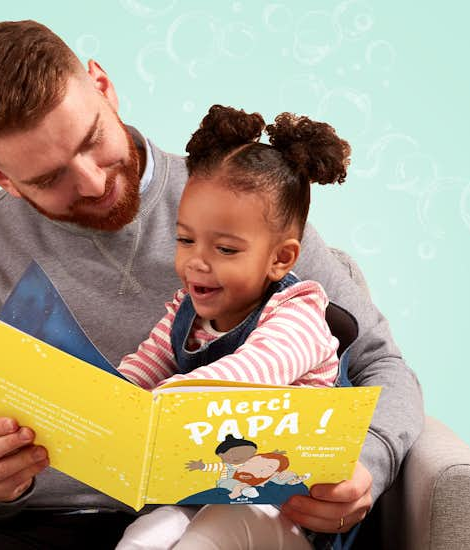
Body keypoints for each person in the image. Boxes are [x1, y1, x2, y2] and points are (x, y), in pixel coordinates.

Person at [0, 19, 423, 550]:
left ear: (103, 86)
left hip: (235, 507)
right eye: (48, 179)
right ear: (1, 178)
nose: (93, 183)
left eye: (92, 140)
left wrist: (368, 462)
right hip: (47, 524)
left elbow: (380, 362)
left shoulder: (239, 199)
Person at [115, 105, 349, 549]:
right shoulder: (185, 312)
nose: (196, 261)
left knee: (209, 538)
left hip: (284, 510)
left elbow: (249, 374)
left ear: (280, 258)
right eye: (185, 240)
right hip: (205, 488)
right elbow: (138, 371)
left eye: (224, 248)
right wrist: (103, 408)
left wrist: (163, 403)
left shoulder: (298, 315)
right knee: (143, 536)